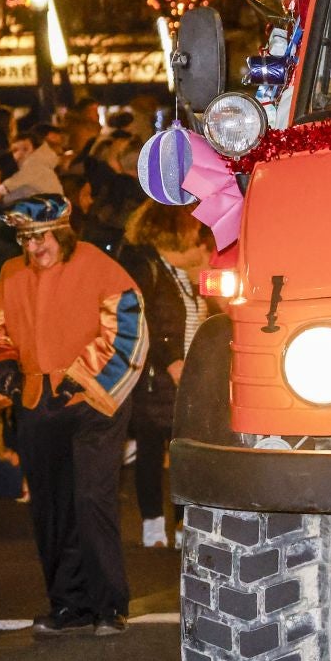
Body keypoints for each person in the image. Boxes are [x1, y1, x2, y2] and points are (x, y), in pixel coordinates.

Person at [0, 194, 148, 637]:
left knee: (91, 498)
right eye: (25, 240)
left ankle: (109, 605)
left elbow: (128, 327)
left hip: (92, 402)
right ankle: (69, 605)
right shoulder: (12, 274)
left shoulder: (99, 268)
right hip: (36, 400)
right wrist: (3, 369)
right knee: (50, 506)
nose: (33, 249)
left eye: (40, 238)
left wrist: (79, 378)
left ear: (62, 232)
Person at [116, 203, 214, 549]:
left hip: (183, 379)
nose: (194, 234)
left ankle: (182, 524)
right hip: (158, 377)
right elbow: (147, 321)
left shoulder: (176, 273)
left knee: (183, 453)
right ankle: (153, 526)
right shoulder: (148, 269)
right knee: (151, 451)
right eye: (189, 228)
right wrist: (172, 360)